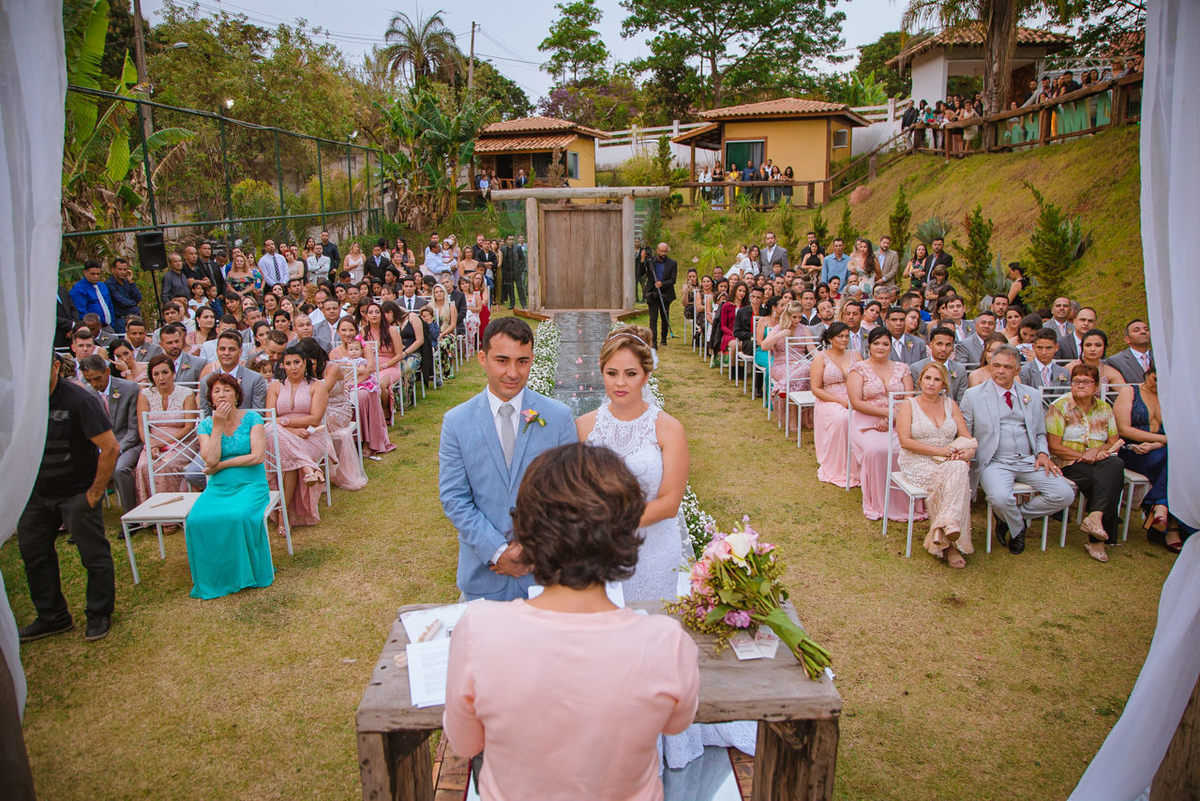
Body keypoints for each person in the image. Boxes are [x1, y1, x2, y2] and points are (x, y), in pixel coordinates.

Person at [443, 443, 699, 801]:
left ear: (525, 530)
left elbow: (466, 742)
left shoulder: (479, 632)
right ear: (625, 532)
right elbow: (676, 722)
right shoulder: (666, 643)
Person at [438, 317, 577, 601]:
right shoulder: (456, 422)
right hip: (484, 574)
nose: (513, 372)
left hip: (545, 574)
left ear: (532, 359)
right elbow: (454, 497)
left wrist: (530, 546)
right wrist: (498, 550)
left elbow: (570, 493)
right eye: (502, 360)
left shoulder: (558, 417)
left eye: (522, 361)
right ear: (482, 358)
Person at [577, 325, 688, 602]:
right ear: (601, 372)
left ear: (646, 376)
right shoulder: (583, 426)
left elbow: (670, 502)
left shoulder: (668, 429)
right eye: (611, 373)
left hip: (654, 551)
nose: (620, 383)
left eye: (631, 374)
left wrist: (611, 525)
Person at [17, 351, 119, 643]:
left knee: (93, 556)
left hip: (77, 492)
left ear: (56, 366)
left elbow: (109, 448)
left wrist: (94, 493)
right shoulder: (24, 402)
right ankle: (52, 616)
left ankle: (99, 612)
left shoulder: (79, 401)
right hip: (36, 495)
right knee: (34, 555)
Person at [960, 344, 1075, 554]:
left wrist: (1042, 453)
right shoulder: (973, 395)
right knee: (1000, 498)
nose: (1000, 371)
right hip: (993, 461)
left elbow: (1040, 432)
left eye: (1006, 367)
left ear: (1018, 370)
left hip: (1029, 459)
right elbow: (965, 432)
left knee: (1065, 494)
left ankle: (1012, 518)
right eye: (996, 366)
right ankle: (1018, 528)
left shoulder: (1031, 395)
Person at [183, 373, 275, 599]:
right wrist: (217, 427)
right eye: (216, 391)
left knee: (239, 516)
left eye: (226, 389)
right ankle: (216, 575)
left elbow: (256, 457)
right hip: (219, 487)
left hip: (250, 483)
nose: (222, 394)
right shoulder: (206, 425)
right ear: (211, 399)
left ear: (236, 395)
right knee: (196, 519)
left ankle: (244, 573)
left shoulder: (253, 418)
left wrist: (222, 465)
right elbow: (210, 460)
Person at [896, 362, 977, 567]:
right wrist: (940, 451)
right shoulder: (908, 405)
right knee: (956, 477)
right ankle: (951, 545)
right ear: (920, 380)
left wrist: (968, 452)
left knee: (959, 468)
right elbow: (905, 441)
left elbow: (967, 438)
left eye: (937, 379)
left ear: (944, 384)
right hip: (916, 460)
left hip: (947, 461)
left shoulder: (951, 405)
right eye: (927, 378)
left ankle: (944, 529)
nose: (931, 383)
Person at [1045, 363, 1125, 563]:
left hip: (1100, 460)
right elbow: (1053, 446)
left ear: (1096, 385)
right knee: (1106, 480)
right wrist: (1083, 456)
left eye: (1086, 381)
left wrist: (1096, 452)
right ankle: (1096, 538)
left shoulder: (1105, 408)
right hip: (1068, 462)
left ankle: (1095, 517)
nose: (1080, 385)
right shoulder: (1059, 407)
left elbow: (1113, 440)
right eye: (1076, 381)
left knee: (1115, 466)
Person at [1113, 363, 1192, 551]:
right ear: (1147, 374)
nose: (1158, 384)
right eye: (1155, 379)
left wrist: (1157, 443)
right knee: (1176, 463)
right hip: (1133, 449)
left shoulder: (1171, 398)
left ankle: (1159, 506)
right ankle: (1169, 521)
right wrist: (1163, 439)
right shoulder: (1130, 392)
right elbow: (1123, 429)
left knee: (1179, 462)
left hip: (1161, 449)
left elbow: (1180, 429)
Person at [848, 327, 918, 521]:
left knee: (908, 447)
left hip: (900, 419)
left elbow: (909, 397)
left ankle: (907, 499)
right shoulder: (858, 369)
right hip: (866, 421)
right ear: (869, 346)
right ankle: (880, 501)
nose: (881, 347)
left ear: (891, 346)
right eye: (876, 343)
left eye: (885, 344)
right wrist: (887, 413)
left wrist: (893, 418)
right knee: (878, 450)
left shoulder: (902, 368)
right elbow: (856, 402)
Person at [266, 343, 331, 529]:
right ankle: (308, 468)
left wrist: (285, 423)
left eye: (297, 362)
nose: (293, 367)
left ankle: (282, 515)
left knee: (286, 459)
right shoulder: (276, 386)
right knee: (273, 433)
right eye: (288, 363)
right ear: (282, 366)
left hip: (310, 435)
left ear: (305, 363)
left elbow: (315, 418)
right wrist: (292, 430)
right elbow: (269, 417)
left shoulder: (317, 385)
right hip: (286, 435)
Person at [79, 354, 141, 512]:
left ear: (107, 372)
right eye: (89, 380)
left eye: (97, 378)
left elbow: (133, 429)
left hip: (129, 444)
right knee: (81, 468)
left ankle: (131, 515)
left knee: (120, 469)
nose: (94, 383)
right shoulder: (87, 394)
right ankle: (85, 518)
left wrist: (115, 450)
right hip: (101, 447)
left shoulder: (129, 388)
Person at [329, 318, 394, 458]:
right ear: (338, 332)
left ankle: (367, 441)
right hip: (342, 386)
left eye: (351, 330)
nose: (347, 333)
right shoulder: (334, 352)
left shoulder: (364, 347)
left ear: (356, 331)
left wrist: (353, 384)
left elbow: (368, 369)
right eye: (344, 330)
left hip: (363, 382)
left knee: (362, 396)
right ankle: (346, 440)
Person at [810, 322, 861, 488]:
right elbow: (816, 389)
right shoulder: (821, 358)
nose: (845, 339)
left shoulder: (856, 355)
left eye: (847, 336)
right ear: (830, 338)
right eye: (840, 336)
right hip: (828, 399)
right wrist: (839, 401)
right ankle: (839, 466)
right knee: (843, 417)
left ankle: (861, 465)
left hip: (854, 396)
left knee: (861, 415)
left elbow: (864, 379)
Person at [762, 300, 816, 427]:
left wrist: (821, 357)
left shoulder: (804, 329)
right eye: (794, 317)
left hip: (802, 363)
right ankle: (792, 419)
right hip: (781, 364)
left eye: (799, 317)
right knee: (803, 371)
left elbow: (812, 349)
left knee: (808, 368)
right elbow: (764, 346)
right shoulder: (778, 328)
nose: (797, 321)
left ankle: (782, 386)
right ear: (788, 316)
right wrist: (779, 335)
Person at [912, 326, 968, 403]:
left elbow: (961, 401)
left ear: (953, 347)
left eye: (948, 345)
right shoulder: (916, 368)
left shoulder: (960, 370)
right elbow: (917, 398)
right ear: (931, 345)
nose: (943, 349)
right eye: (939, 344)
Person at [643, 242, 677, 349]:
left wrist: (662, 284)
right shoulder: (651, 262)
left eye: (665, 251)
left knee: (664, 316)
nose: (663, 253)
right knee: (653, 318)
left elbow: (673, 280)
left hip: (665, 293)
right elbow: (640, 272)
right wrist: (642, 260)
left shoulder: (672, 263)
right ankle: (653, 342)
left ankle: (663, 338)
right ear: (657, 251)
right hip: (652, 293)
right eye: (661, 251)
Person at [1020, 328, 1071, 392]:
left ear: (1056, 347)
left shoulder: (1064, 372)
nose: (1044, 352)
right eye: (1040, 348)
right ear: (1033, 347)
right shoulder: (1024, 371)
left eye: (1048, 348)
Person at [1106, 319, 1153, 383]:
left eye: (1146, 329)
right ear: (1127, 339)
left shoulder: (1160, 357)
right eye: (1136, 330)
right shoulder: (1116, 361)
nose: (1143, 332)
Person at [104, 257, 142, 333]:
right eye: (120, 269)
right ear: (113, 270)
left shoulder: (127, 281)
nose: (123, 272)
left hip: (134, 317)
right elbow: (121, 300)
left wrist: (131, 282)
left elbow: (138, 297)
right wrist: (135, 304)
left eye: (125, 270)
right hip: (121, 319)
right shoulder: (109, 284)